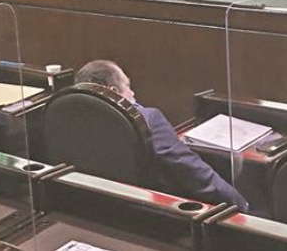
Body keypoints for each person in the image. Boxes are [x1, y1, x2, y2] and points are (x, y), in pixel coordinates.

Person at [75, 60, 247, 210]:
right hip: (152, 214)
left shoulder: (68, 120)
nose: (133, 93)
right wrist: (239, 204)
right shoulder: (147, 121)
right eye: (128, 86)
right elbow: (192, 173)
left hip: (91, 207)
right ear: (114, 91)